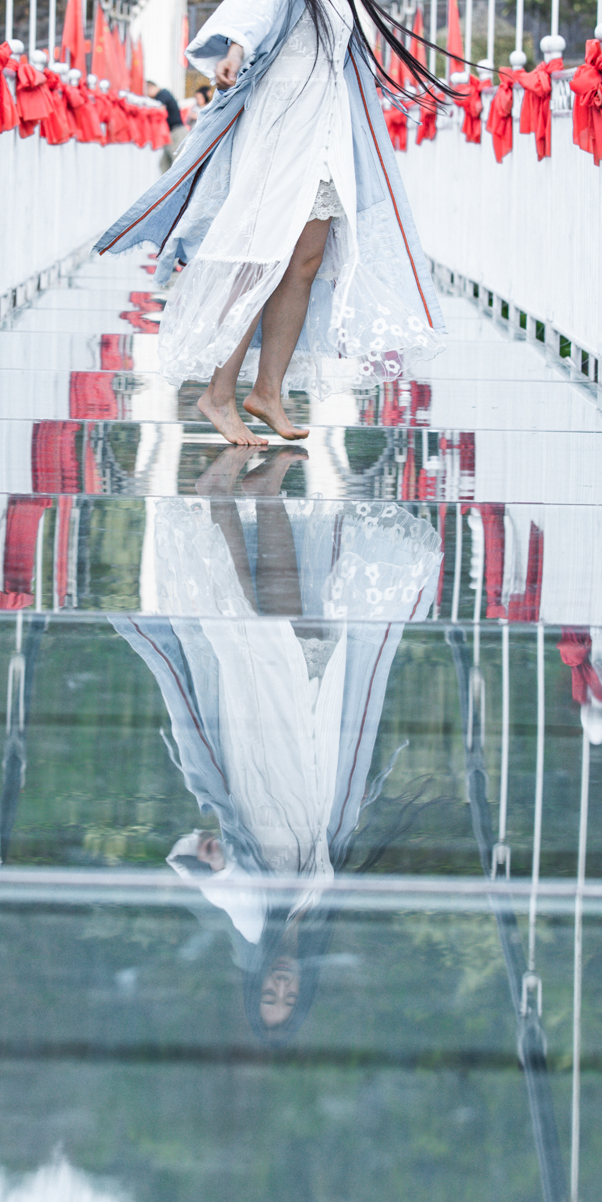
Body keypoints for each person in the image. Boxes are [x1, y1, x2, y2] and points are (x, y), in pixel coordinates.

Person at [95, 0, 447, 445]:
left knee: (306, 261)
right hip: (284, 133)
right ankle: (217, 393)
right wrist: (232, 51)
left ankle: (268, 391)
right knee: (261, 258)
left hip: (326, 135)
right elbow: (250, 15)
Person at [111, 446, 445, 1041]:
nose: (283, 984)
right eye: (289, 996)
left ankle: (219, 494)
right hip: (313, 763)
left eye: (271, 991)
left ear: (257, 979)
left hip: (264, 763)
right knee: (301, 626)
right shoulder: (315, 919)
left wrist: (205, 858)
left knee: (249, 623)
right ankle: (264, 493)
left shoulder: (251, 922)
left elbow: (212, 877)